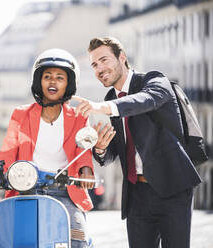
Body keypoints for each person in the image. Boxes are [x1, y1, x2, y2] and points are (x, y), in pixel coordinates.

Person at [73, 37, 202, 248]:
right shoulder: (111, 98)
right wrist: (102, 148)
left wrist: (104, 107)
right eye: (94, 64)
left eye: (104, 60)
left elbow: (145, 100)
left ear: (122, 57)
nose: (99, 68)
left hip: (172, 189)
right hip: (136, 195)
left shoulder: (153, 80)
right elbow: (116, 151)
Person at [0, 48, 95, 247]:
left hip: (65, 192)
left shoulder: (79, 117)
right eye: (47, 76)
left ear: (68, 83)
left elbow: (83, 152)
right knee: (6, 240)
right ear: (39, 81)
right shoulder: (21, 115)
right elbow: (7, 154)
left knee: (77, 238)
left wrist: (86, 172)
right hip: (26, 191)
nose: (53, 81)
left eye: (60, 77)